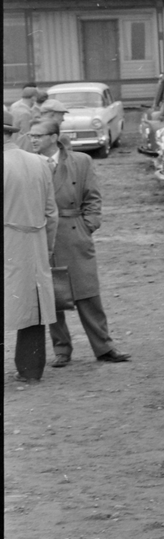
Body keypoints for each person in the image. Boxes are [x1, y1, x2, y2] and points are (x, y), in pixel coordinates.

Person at [26, 117, 131, 366]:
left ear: (53, 137)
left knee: (87, 292)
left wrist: (88, 225)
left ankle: (104, 347)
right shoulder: (29, 164)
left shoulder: (80, 161)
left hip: (74, 233)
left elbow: (93, 197)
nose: (32, 140)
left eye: (38, 136)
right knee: (51, 294)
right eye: (31, 136)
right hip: (41, 234)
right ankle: (62, 349)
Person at [4, 107, 58, 382]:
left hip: (8, 244)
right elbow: (52, 213)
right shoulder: (39, 162)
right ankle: (31, 369)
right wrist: (45, 248)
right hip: (35, 243)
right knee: (34, 305)